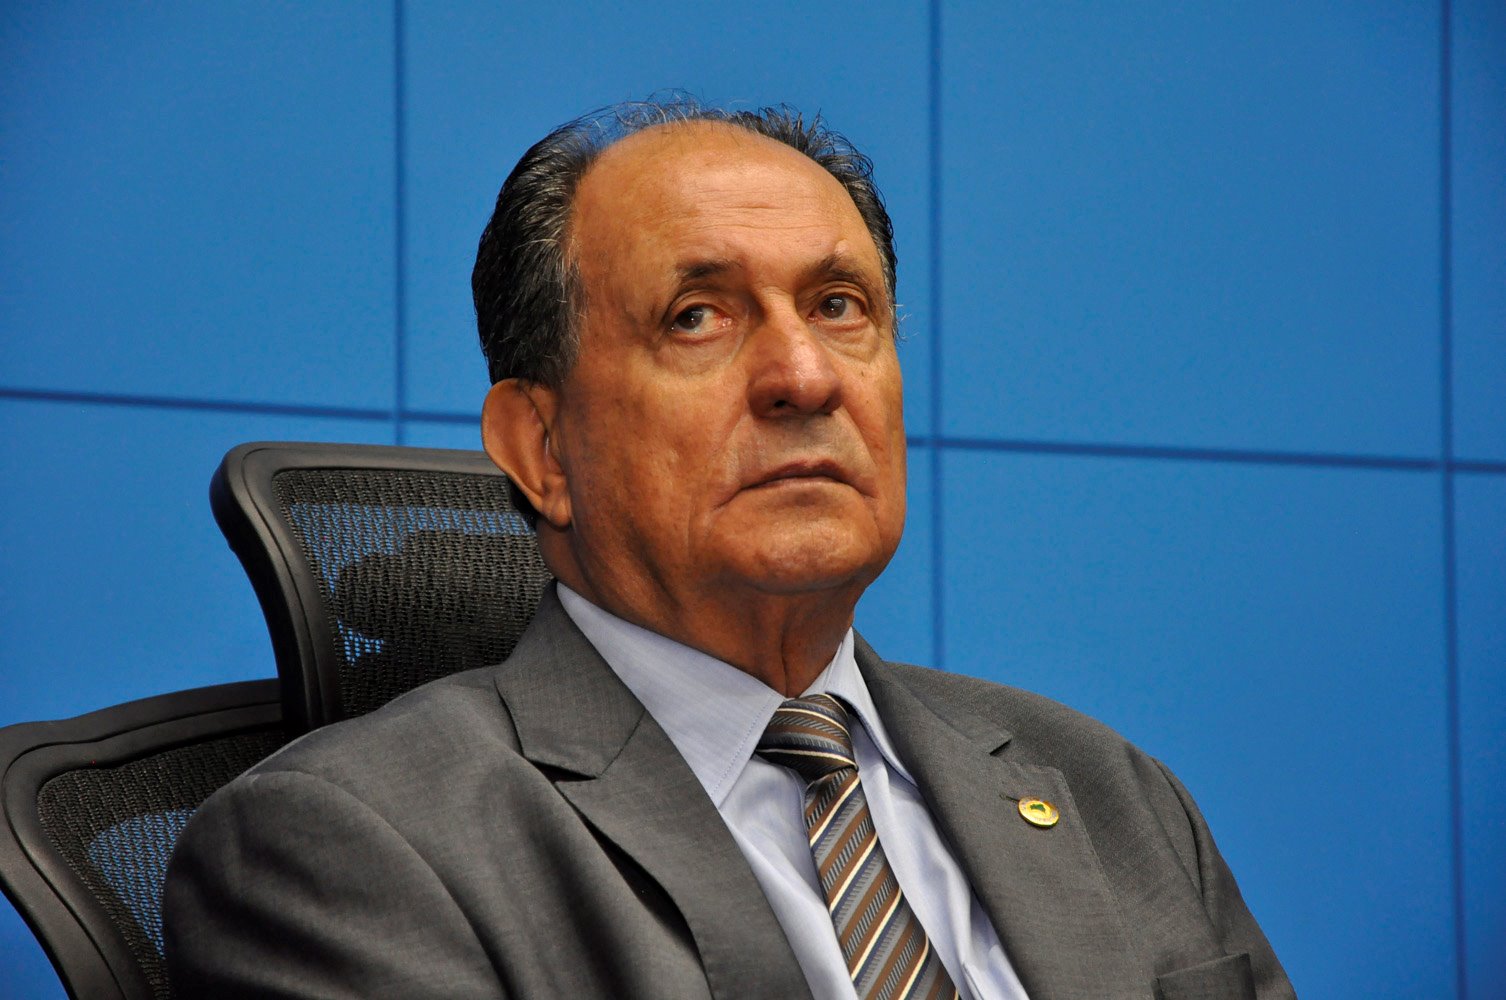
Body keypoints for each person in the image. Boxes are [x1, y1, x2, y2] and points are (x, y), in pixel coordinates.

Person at [164, 99, 1295, 999]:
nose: (804, 375)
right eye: (697, 315)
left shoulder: (1107, 791)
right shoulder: (349, 848)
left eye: (840, 305)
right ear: (542, 447)